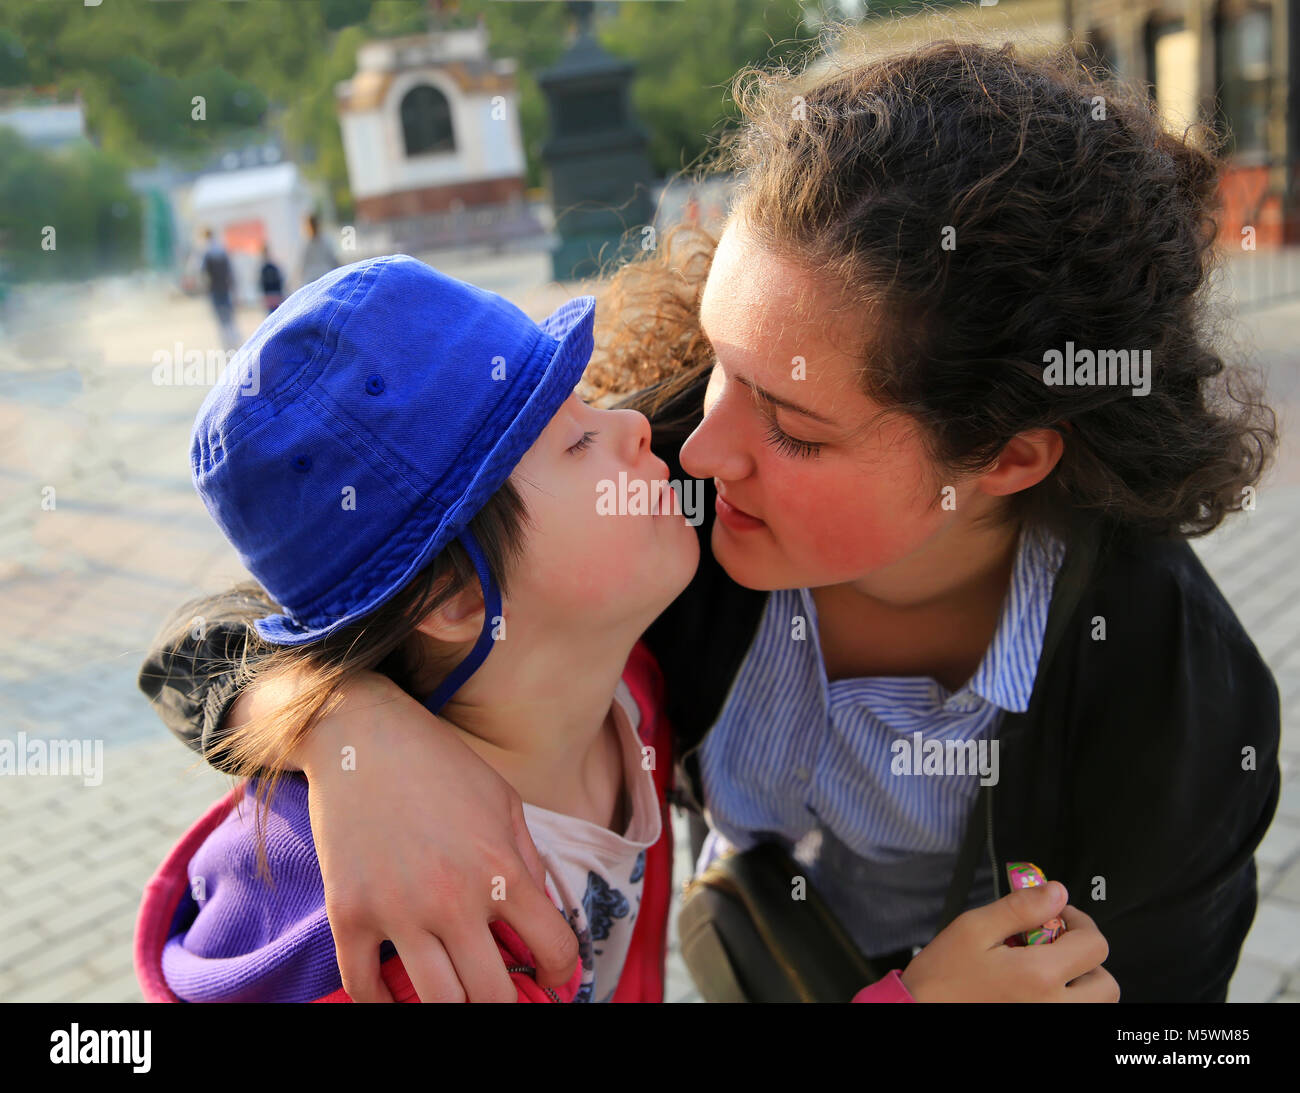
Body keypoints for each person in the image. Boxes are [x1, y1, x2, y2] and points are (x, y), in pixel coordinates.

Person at [139, 38, 1280, 1003]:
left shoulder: (1175, 694)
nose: (691, 441)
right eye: (718, 362)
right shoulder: (659, 504)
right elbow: (283, 614)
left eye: (795, 424)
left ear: (1005, 455)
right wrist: (350, 735)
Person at [133, 255, 1103, 1004]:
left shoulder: (620, 690)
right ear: (454, 599)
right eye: (572, 438)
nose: (640, 428)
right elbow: (180, 656)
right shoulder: (400, 932)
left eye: (595, 401)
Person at [199, 228, 240, 349]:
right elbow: (230, 271)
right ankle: (234, 339)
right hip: (225, 287)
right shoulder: (221, 249)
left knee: (220, 319)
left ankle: (226, 343)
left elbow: (202, 273)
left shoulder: (205, 252)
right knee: (230, 316)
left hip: (214, 289)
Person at [298, 213, 338, 287]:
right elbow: (333, 259)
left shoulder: (306, 244)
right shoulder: (326, 241)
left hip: (311, 279)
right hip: (325, 275)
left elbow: (303, 264)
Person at [259, 244, 285, 313]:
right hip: (271, 294)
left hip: (273, 293)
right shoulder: (266, 268)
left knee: (274, 312)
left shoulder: (268, 267)